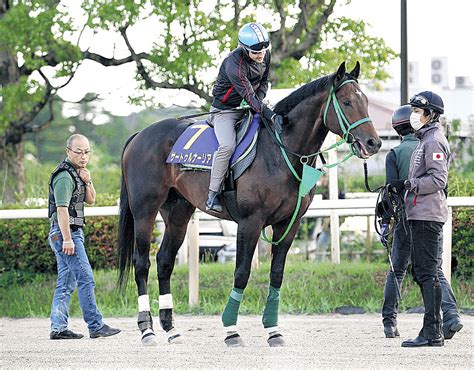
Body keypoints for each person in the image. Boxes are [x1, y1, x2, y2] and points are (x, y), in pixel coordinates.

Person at [380, 105, 463, 340]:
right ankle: (451, 315)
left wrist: (385, 222)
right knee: (433, 269)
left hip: (411, 217)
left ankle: (390, 321)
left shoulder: (398, 153)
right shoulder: (425, 143)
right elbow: (443, 183)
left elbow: (391, 192)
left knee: (399, 270)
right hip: (430, 213)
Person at [48, 134, 120, 339]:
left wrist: (88, 181)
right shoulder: (64, 176)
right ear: (68, 152)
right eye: (78, 152)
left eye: (87, 152)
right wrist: (68, 239)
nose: (83, 156)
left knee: (66, 282)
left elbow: (91, 200)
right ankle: (95, 325)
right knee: (86, 278)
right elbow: (62, 210)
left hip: (65, 233)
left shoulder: (79, 174)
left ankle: (58, 328)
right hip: (66, 233)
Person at [206, 22, 283, 212]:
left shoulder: (265, 54)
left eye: (264, 51)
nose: (261, 55)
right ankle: (212, 194)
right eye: (256, 53)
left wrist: (262, 102)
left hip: (251, 107)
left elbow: (264, 82)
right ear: (244, 48)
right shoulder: (233, 64)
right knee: (227, 145)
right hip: (225, 111)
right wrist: (266, 112)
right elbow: (248, 95)